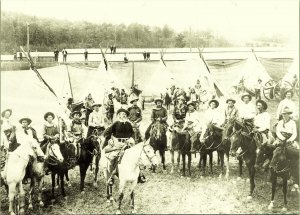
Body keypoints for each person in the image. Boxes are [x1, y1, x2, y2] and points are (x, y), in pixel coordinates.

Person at [103, 108, 146, 183]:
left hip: (127, 144)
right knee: (112, 157)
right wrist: (110, 140)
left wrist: (131, 139)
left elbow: (132, 134)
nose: (123, 116)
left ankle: (139, 175)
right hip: (117, 144)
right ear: (118, 115)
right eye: (121, 114)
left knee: (137, 157)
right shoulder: (115, 123)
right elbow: (106, 133)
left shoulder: (129, 124)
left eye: (124, 114)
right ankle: (111, 176)